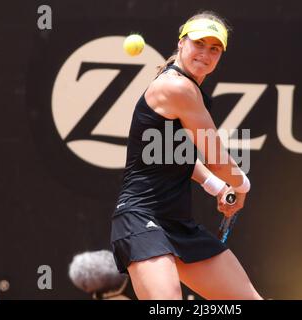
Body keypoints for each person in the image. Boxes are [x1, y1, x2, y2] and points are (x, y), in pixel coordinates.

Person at [111, 10, 263, 300]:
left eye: (214, 48)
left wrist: (215, 185)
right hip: (142, 219)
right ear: (181, 43)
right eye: (198, 44)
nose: (205, 54)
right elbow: (216, 158)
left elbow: (171, 152)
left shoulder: (187, 89)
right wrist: (242, 185)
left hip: (177, 224)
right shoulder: (177, 87)